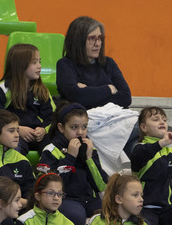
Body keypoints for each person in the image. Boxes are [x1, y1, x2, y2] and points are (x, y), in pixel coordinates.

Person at [55, 15, 136, 170]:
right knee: (138, 132)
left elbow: (126, 97)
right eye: (91, 39)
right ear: (78, 41)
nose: (98, 43)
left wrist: (89, 92)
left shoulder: (108, 63)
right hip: (87, 124)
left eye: (100, 38)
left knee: (141, 132)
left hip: (113, 119)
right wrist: (108, 89)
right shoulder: (65, 65)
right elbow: (76, 96)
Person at [36, 103, 108, 225]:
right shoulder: (51, 150)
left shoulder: (90, 150)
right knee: (77, 216)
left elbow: (101, 186)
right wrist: (70, 157)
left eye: (84, 127)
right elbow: (49, 186)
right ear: (61, 128)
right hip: (66, 199)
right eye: (74, 127)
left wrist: (89, 159)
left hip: (89, 199)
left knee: (110, 215)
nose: (80, 132)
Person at [0, 43, 54, 154]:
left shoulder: (41, 90)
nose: (39, 66)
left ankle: (48, 171)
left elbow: (51, 118)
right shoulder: (1, 89)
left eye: (39, 62)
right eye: (34, 62)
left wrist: (42, 130)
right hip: (14, 135)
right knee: (14, 149)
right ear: (20, 65)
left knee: (53, 150)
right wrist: (17, 129)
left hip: (37, 136)